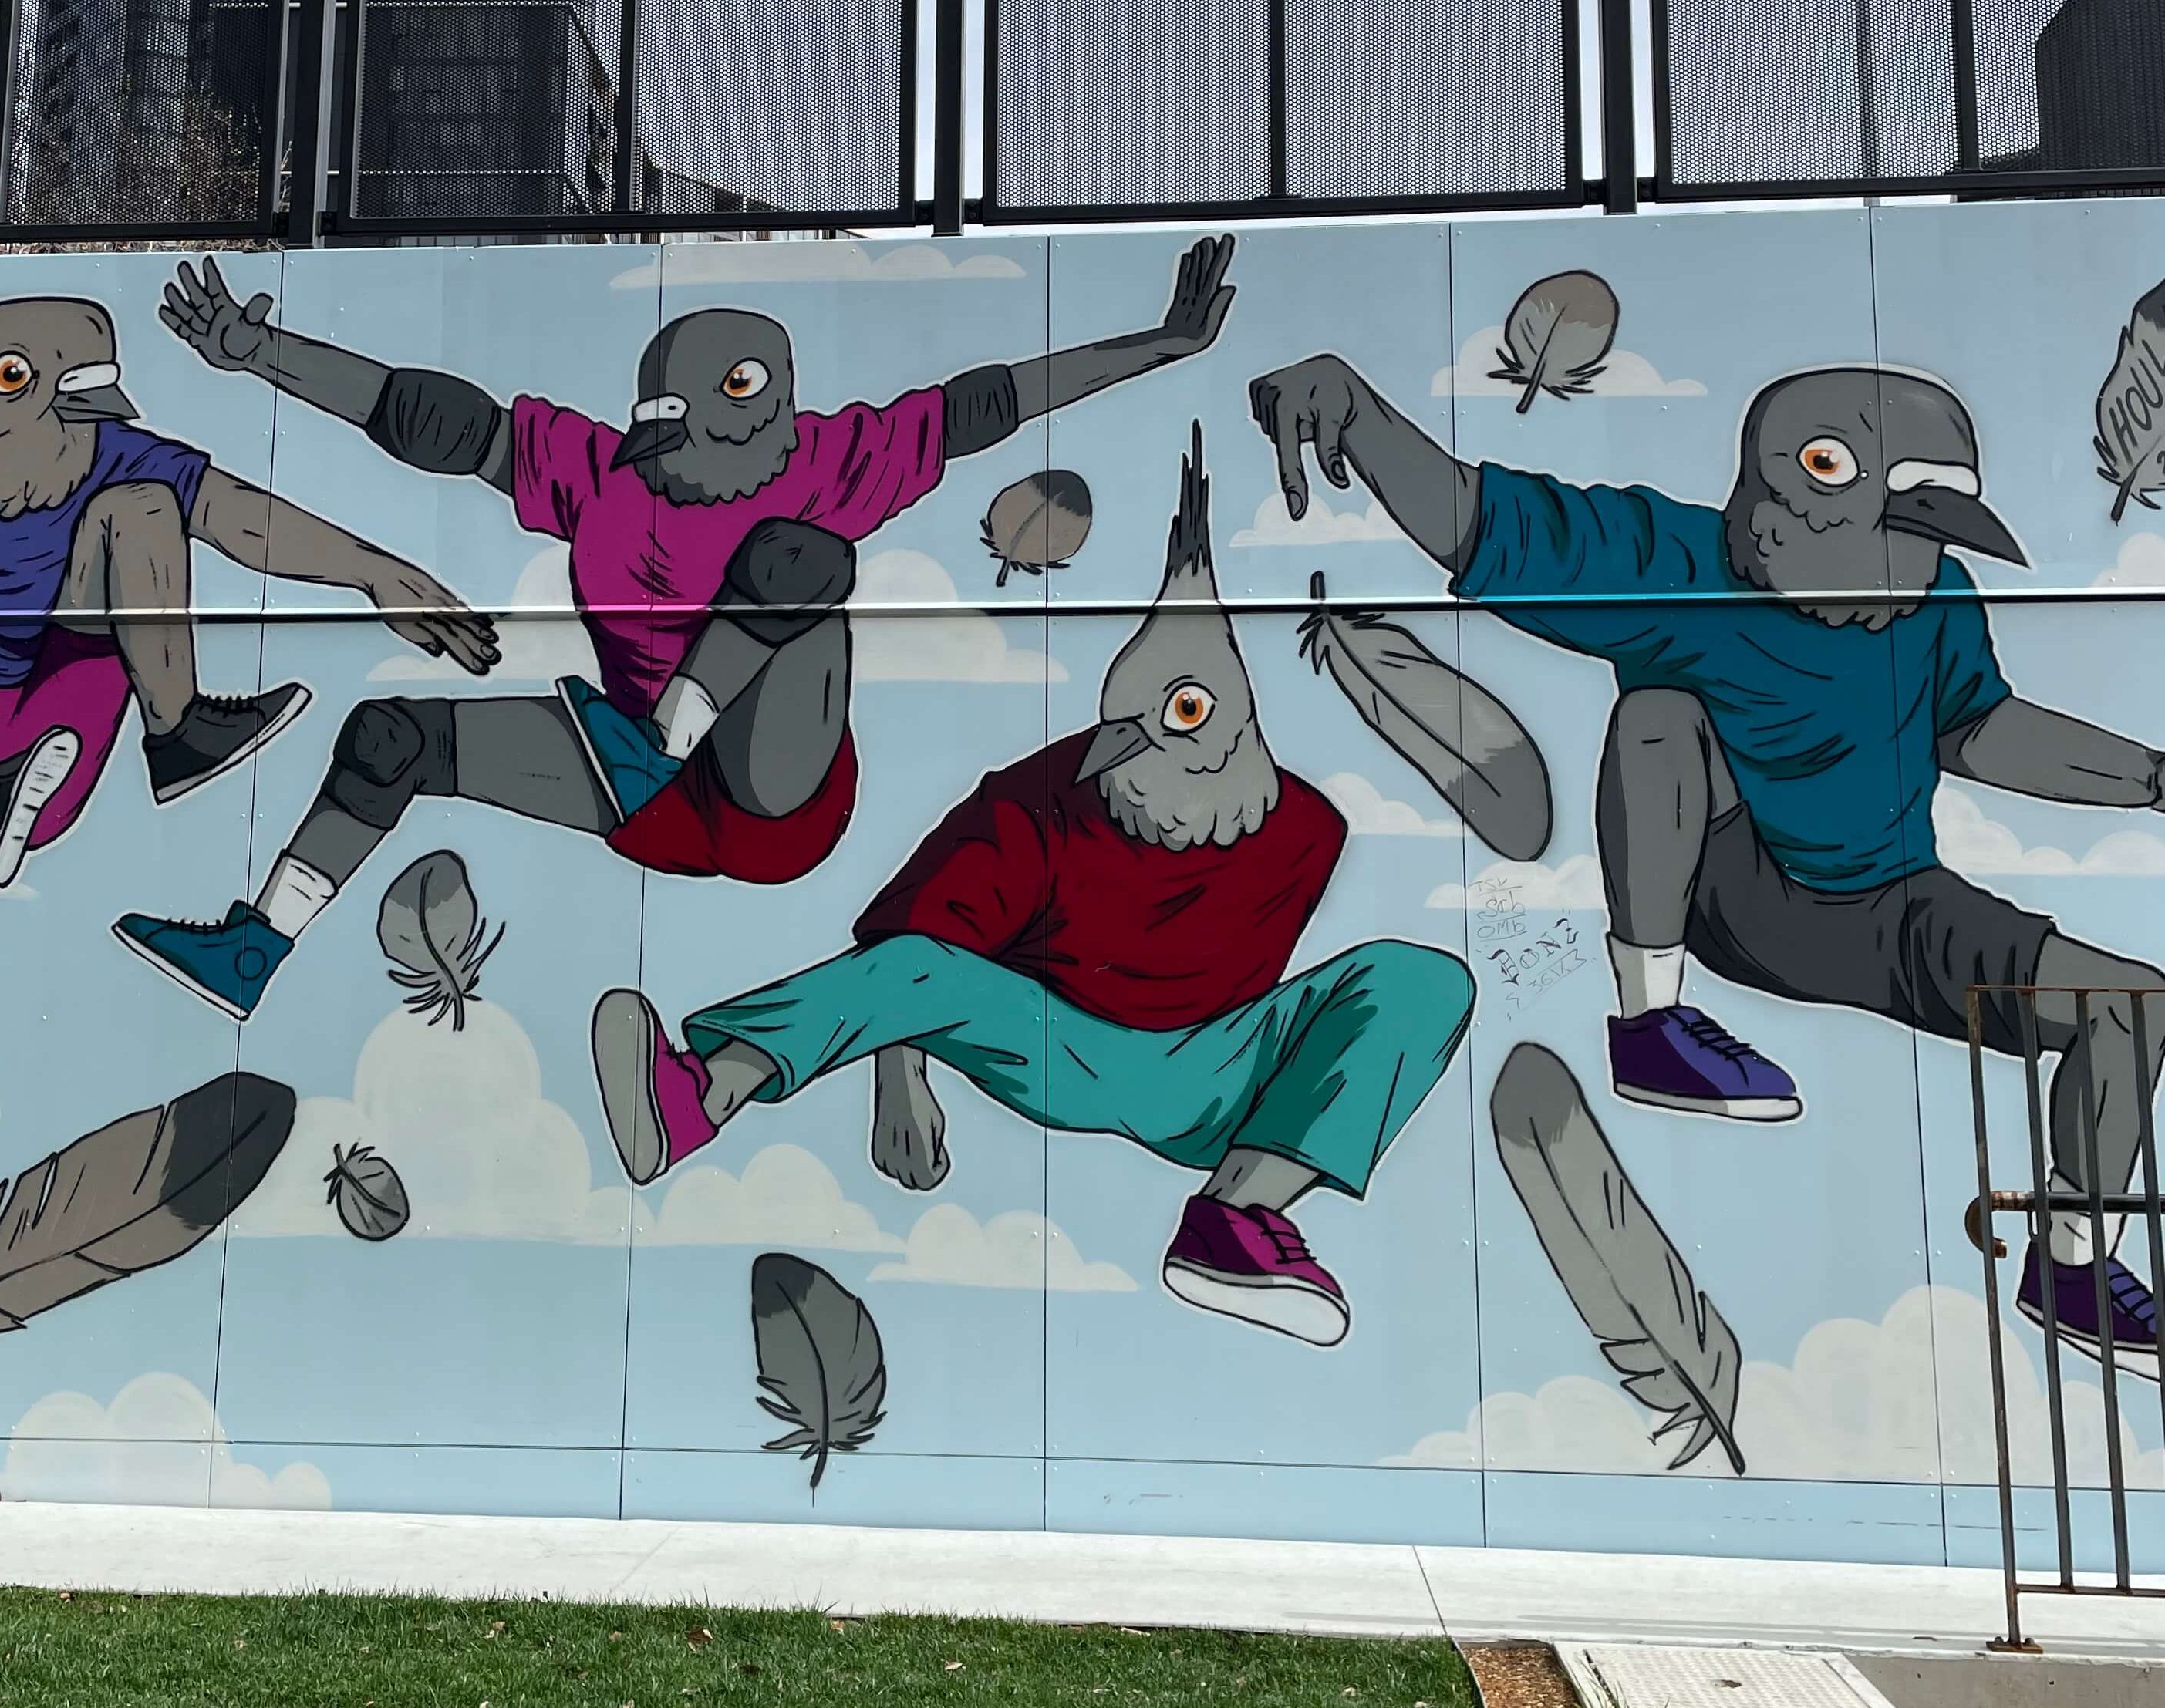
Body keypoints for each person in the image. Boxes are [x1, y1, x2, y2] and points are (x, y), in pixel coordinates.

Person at [1249, 350, 2165, 1374]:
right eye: (1891, 536)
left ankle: (2074, 1261)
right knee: (1660, 711)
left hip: (1899, 911)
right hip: (1745, 891)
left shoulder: (1935, 603)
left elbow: (1980, 730)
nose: (1913, 572)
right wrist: (1359, 412)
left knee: (2129, 1005)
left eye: (1926, 544)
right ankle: (1651, 1021)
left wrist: (2152, 778)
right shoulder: (1673, 565)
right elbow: (1477, 519)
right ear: (1781, 507)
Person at [113, 241, 1239, 1018]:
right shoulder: (599, 473)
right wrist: (260, 356)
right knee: (389, 738)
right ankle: (254, 948)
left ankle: (680, 721)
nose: (685, 481)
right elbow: (419, 415)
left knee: (797, 561)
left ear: (765, 426)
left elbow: (1004, 398)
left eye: (709, 456)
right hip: (640, 789)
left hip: (774, 792)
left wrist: (1163, 343)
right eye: (672, 458)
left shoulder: (834, 460)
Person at [592, 433, 1478, 1348]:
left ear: (1234, 717)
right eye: (1121, 720)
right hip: (1055, 1044)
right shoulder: (1052, 791)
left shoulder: (1308, 831)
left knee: (1421, 979)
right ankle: (701, 1097)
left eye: (1176, 715)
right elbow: (917, 942)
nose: (1129, 747)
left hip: (1213, 1069)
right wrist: (903, 1083)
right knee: (926, 973)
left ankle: (1238, 1221)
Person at [0, 298, 491, 894]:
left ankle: (179, 732)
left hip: (50, 758)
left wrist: (371, 572)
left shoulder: (104, 455)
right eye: (20, 381)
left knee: (147, 507)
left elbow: (234, 513)